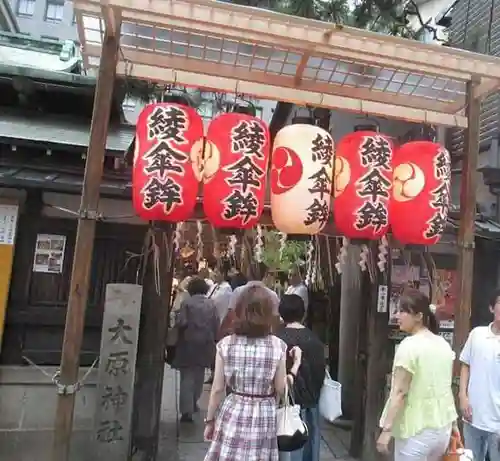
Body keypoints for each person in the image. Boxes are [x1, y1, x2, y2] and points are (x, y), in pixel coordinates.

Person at [203, 285, 302, 461]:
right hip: (264, 414)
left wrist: (210, 420)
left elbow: (217, 389)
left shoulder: (226, 345)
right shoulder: (277, 346)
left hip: (234, 409)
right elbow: (281, 389)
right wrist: (295, 366)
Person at [377, 288, 457, 461]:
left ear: (419, 316)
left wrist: (386, 430)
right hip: (442, 427)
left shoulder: (409, 346)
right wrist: (454, 423)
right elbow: (445, 387)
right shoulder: (442, 343)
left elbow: (400, 392)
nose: (397, 315)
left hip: (415, 429)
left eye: (403, 311)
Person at [276, 294, 325, 461]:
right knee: (309, 444)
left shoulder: (277, 338)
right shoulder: (314, 339)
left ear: (281, 313)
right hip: (310, 401)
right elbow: (320, 372)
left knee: (288, 449)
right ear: (303, 313)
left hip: (285, 401)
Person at [459, 288, 500, 461]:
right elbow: (465, 364)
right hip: (473, 416)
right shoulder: (477, 334)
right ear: (492, 308)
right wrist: (462, 396)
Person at [172, 277, 219, 423]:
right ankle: (193, 401)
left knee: (187, 376)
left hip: (188, 342)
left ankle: (187, 411)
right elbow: (216, 323)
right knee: (199, 375)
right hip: (205, 344)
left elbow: (182, 322)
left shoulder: (187, 303)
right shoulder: (211, 304)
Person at [205, 268, 233, 384]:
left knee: (218, 350)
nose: (215, 274)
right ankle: (213, 373)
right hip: (210, 322)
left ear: (223, 274)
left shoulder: (226, 289)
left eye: (217, 272)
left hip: (220, 322)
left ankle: (218, 375)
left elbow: (215, 302)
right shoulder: (214, 286)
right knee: (212, 350)